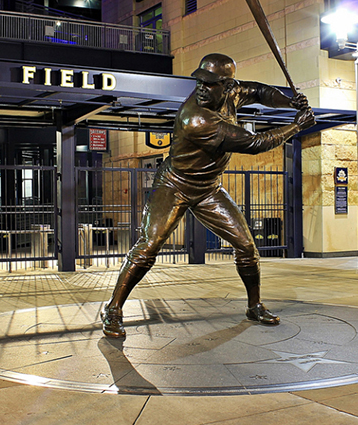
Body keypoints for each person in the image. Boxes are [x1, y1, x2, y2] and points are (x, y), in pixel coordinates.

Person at [101, 53, 315, 337]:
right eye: (199, 80)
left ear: (227, 86)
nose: (201, 87)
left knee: (247, 248)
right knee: (148, 246)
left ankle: (254, 305)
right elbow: (255, 143)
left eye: (210, 83)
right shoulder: (196, 118)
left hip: (208, 189)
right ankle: (113, 309)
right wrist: (297, 125)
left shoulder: (232, 92)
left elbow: (262, 91)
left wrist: (290, 101)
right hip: (174, 184)